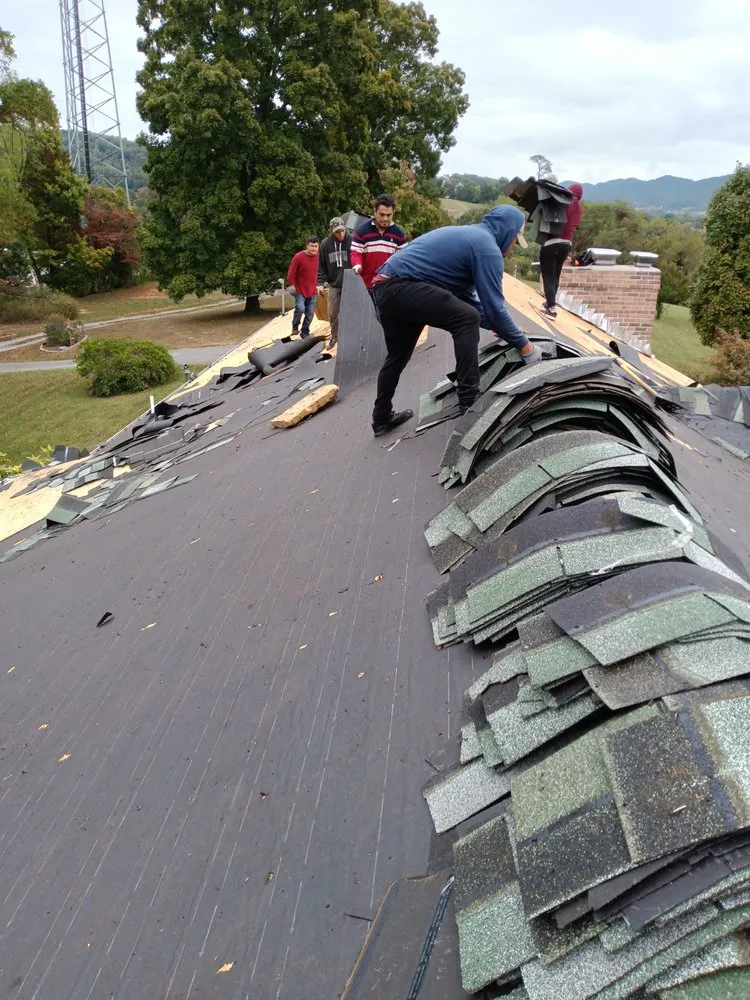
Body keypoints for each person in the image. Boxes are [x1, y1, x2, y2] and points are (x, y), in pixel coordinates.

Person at [369, 205, 543, 437]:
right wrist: (527, 348)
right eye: (514, 240)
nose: (512, 247)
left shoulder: (471, 236)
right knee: (467, 320)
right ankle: (470, 404)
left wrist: (502, 327)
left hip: (385, 288)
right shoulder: (487, 247)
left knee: (398, 355)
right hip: (403, 286)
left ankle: (381, 418)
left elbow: (466, 302)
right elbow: (493, 307)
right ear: (507, 232)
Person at [539, 182, 584, 319]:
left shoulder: (561, 201)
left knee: (548, 275)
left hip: (552, 241)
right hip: (566, 244)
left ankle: (552, 309)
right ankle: (549, 304)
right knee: (556, 275)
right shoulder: (580, 208)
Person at [351, 194, 408, 291]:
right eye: (382, 215)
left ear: (393, 212)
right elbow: (355, 252)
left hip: (389, 288)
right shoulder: (362, 231)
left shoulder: (399, 235)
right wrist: (357, 264)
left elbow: (403, 258)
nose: (385, 219)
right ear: (375, 212)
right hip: (365, 287)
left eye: (389, 215)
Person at [317, 217, 352, 348]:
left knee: (349, 313)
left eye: (342, 231)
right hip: (334, 284)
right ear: (331, 231)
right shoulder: (325, 244)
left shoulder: (352, 240)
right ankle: (335, 337)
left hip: (351, 283)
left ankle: (350, 339)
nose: (341, 234)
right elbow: (321, 265)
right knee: (332, 313)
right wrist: (320, 283)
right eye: (337, 232)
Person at [287, 236, 320, 338]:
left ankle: (305, 332)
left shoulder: (319, 257)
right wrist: (291, 284)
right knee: (300, 308)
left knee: (310, 313)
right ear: (307, 246)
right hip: (299, 289)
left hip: (313, 290)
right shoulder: (298, 257)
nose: (314, 248)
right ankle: (295, 326)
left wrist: (323, 283)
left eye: (316, 246)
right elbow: (291, 272)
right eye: (312, 246)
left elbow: (322, 271)